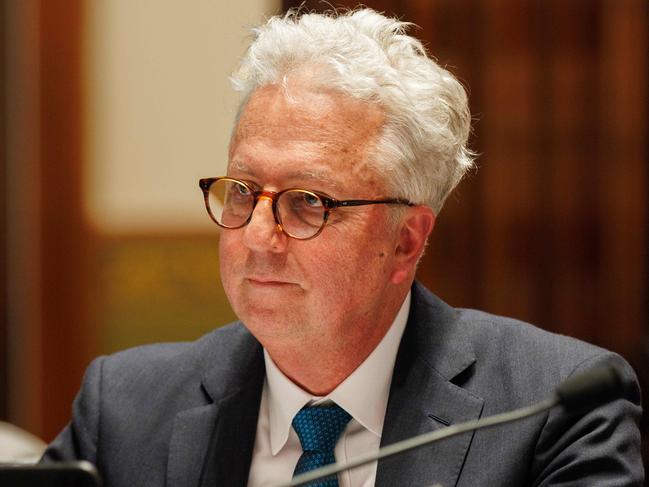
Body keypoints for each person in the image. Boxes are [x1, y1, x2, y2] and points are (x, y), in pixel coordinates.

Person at [42, 8, 643, 487]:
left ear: (406, 242)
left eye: (308, 203)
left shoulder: (552, 409)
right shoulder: (124, 409)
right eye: (243, 192)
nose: (256, 236)